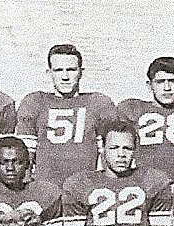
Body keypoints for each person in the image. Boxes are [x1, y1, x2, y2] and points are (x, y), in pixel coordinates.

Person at [58, 121, 174, 226]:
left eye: (127, 148)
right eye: (114, 148)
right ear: (102, 148)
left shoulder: (152, 180)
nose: (121, 154)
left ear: (135, 150)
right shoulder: (81, 183)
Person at [15, 44, 119, 185]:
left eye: (71, 70)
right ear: (49, 72)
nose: (65, 77)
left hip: (85, 187)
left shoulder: (99, 103)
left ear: (81, 72)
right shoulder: (35, 102)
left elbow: (109, 154)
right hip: (45, 188)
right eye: (58, 70)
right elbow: (25, 155)